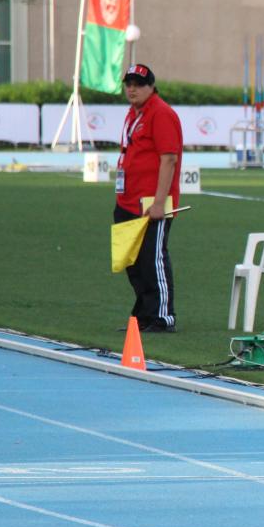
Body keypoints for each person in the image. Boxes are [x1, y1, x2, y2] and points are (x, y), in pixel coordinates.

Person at [113, 64, 182, 332]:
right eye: (128, 83)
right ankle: (143, 313)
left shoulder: (161, 113)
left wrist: (158, 202)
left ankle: (162, 317)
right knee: (132, 261)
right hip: (128, 200)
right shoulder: (134, 114)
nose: (132, 88)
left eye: (138, 84)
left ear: (151, 86)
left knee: (152, 259)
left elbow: (169, 159)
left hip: (151, 203)